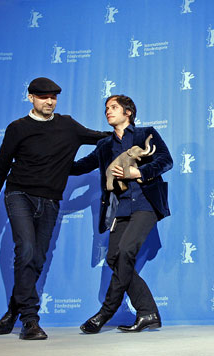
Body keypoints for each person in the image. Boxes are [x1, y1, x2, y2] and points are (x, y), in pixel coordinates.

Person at [0, 77, 109, 340]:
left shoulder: (67, 125)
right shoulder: (17, 128)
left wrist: (133, 134)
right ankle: (30, 321)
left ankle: (13, 311)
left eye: (53, 97)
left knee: (38, 258)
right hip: (19, 194)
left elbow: (101, 138)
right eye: (43, 97)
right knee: (26, 249)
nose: (49, 101)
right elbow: (0, 166)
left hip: (51, 200)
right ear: (31, 98)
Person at [71, 94, 172, 334]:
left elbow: (166, 160)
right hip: (120, 208)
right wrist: (51, 158)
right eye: (106, 108)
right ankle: (147, 312)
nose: (108, 111)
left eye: (113, 107)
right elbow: (79, 167)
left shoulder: (145, 134)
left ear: (128, 112)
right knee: (115, 259)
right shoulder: (104, 145)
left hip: (145, 204)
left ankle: (105, 313)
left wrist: (136, 173)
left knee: (126, 251)